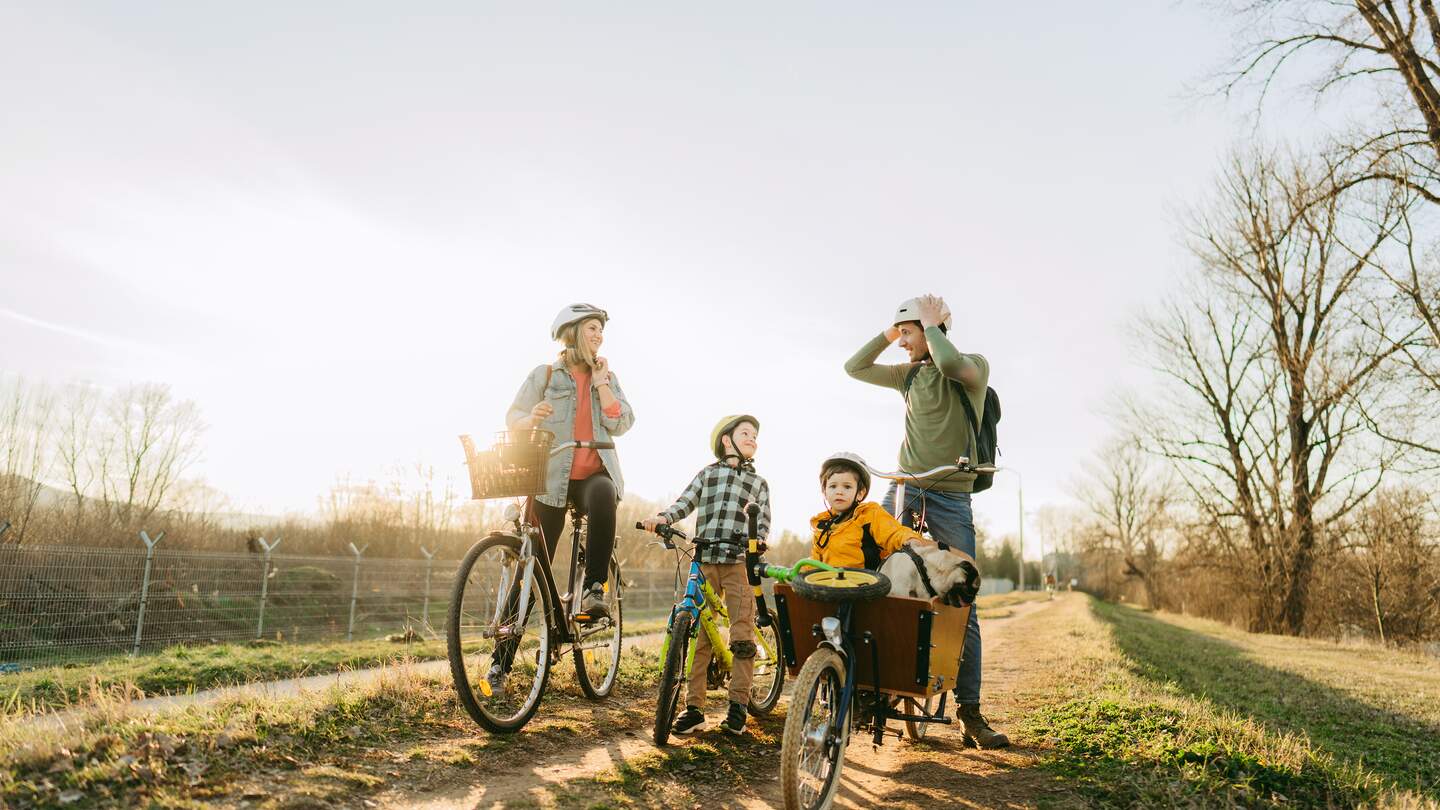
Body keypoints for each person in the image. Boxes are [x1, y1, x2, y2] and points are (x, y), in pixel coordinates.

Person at [843, 293, 1009, 749]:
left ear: (934, 328)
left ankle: (970, 713)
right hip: (906, 486)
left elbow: (954, 365)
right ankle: (868, 690)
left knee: (961, 598)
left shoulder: (972, 367)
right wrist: (891, 331)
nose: (902, 343)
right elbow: (854, 368)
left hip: (951, 497)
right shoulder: (908, 375)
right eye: (900, 334)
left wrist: (932, 326)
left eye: (908, 333)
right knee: (879, 582)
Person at [641, 415, 771, 736]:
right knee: (698, 633)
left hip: (739, 561)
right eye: (745, 433)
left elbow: (763, 521)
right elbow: (684, 503)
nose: (752, 438)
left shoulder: (758, 484)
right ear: (726, 440)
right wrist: (661, 518)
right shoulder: (707, 475)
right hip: (703, 559)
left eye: (755, 435)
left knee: (741, 634)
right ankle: (694, 708)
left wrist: (759, 539)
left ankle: (738, 705)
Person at [506, 302, 634, 623]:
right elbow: (513, 416)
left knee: (605, 493)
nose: (599, 335)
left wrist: (602, 383)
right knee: (533, 565)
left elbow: (622, 423)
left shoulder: (607, 377)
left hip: (593, 477)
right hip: (550, 481)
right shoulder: (545, 375)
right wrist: (531, 417)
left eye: (601, 330)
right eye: (592, 328)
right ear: (573, 332)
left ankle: (594, 588)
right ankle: (501, 657)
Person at [809, 451, 935, 570]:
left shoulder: (868, 514)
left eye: (847, 487)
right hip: (829, 584)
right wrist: (800, 573)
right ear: (824, 491)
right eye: (833, 486)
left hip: (864, 584)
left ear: (859, 493)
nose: (839, 491)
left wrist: (910, 540)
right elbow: (814, 562)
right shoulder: (822, 526)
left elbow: (893, 532)